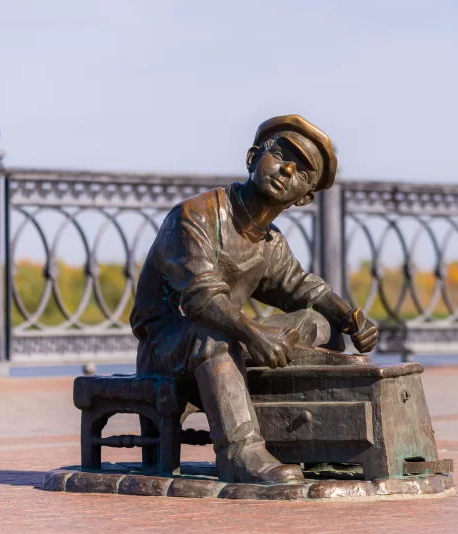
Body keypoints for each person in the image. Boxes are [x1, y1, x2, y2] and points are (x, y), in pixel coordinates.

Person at [129, 115, 378, 484]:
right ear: (252, 158)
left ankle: (319, 441)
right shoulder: (195, 216)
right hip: (165, 345)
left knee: (317, 323)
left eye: (302, 172)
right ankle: (240, 453)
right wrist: (254, 334)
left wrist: (350, 317)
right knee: (215, 335)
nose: (287, 170)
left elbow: (302, 287)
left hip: (226, 338)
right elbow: (200, 298)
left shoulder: (270, 242)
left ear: (304, 197)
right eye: (281, 156)